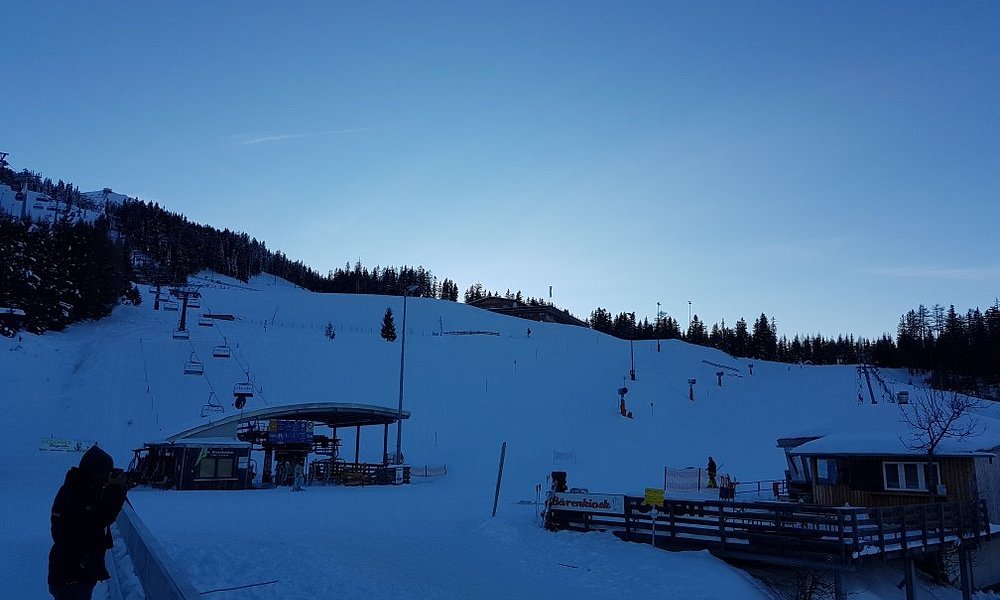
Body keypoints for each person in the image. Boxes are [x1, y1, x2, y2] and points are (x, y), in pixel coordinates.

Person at [48, 445, 127, 600]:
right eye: (105, 474)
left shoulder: (78, 487)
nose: (106, 478)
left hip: (71, 573)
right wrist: (116, 490)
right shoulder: (79, 493)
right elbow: (101, 518)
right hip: (72, 576)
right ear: (96, 473)